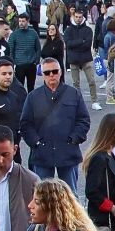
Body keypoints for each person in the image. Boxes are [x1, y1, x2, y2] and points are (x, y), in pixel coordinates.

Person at [19, 58, 92, 190]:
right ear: (42, 74)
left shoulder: (73, 93)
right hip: (42, 155)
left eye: (54, 71)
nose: (51, 75)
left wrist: (74, 139)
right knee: (43, 196)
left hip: (68, 153)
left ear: (60, 72)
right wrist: (36, 142)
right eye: (47, 72)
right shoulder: (33, 96)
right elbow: (25, 124)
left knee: (71, 195)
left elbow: (83, 120)